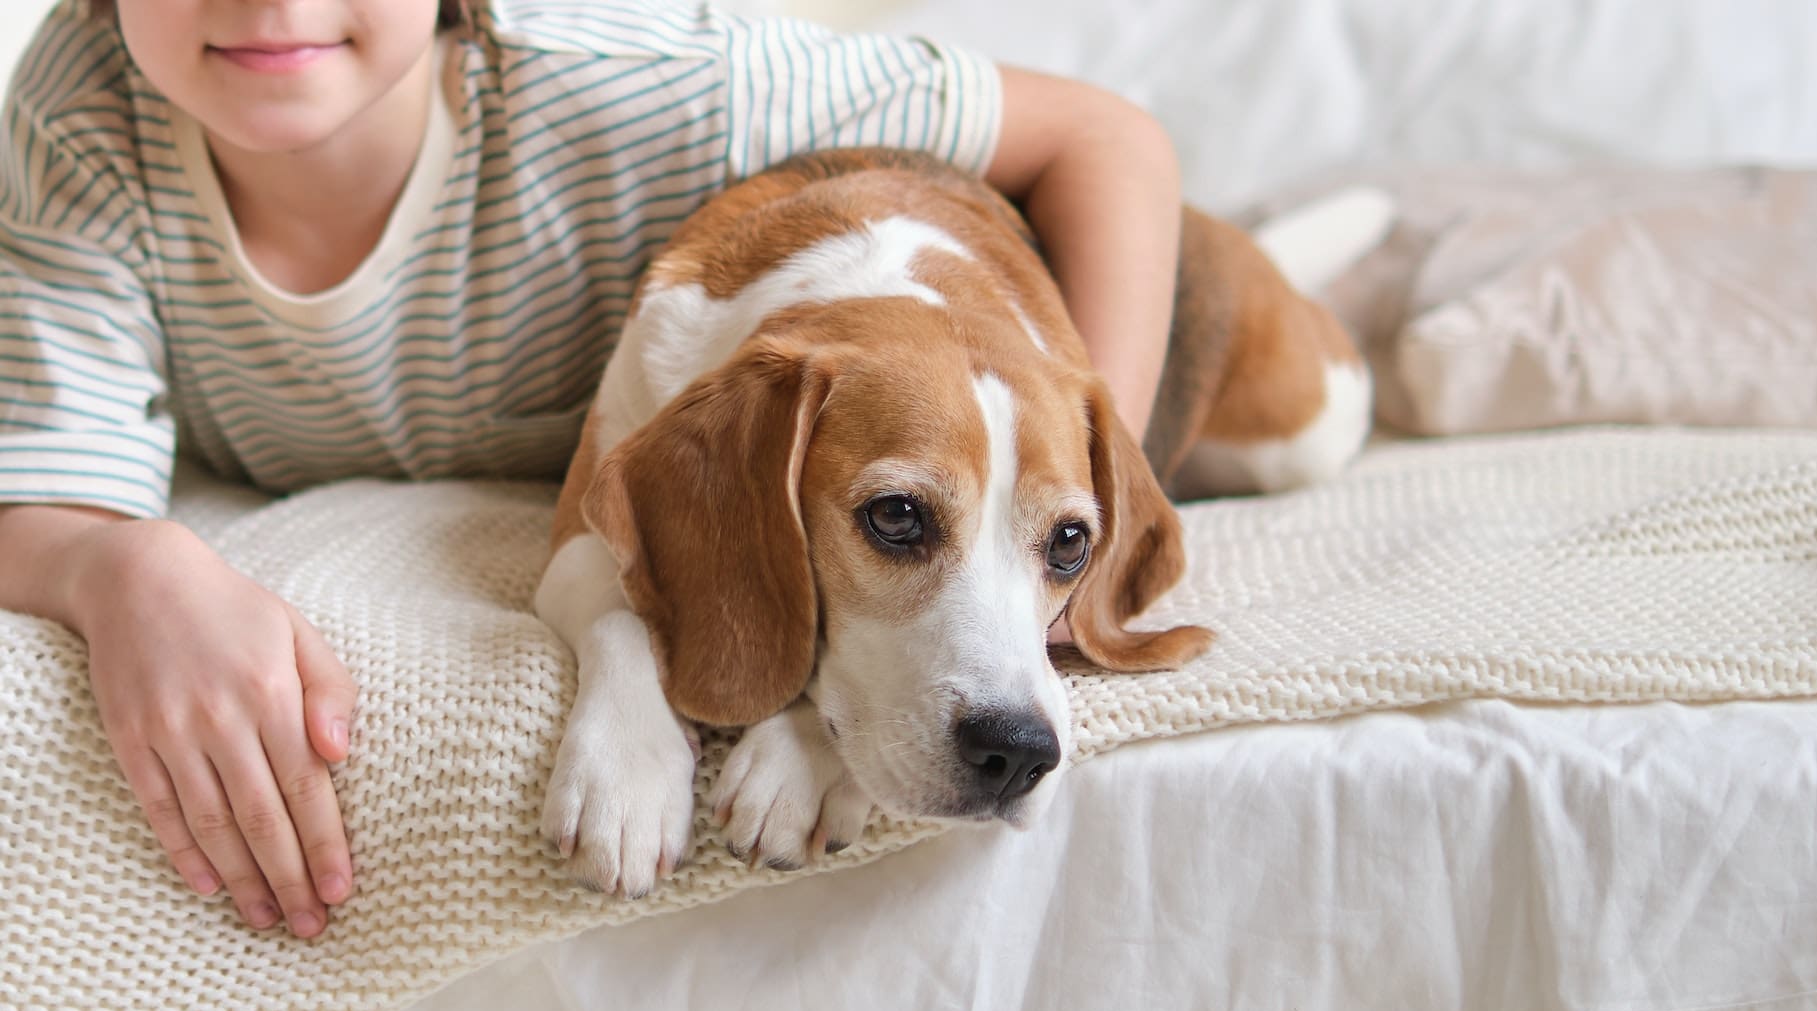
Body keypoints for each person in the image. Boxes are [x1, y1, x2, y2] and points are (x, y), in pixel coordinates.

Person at [0, 0, 1180, 938]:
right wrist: (124, 566)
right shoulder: (77, 117)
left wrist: (1073, 512)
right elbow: (40, 482)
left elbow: (1105, 134)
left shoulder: (643, 76)